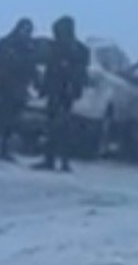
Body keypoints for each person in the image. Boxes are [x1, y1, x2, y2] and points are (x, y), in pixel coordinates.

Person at [32, 16, 91, 172]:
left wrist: (72, 87)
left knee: (60, 127)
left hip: (64, 92)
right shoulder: (69, 48)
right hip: (58, 91)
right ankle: (54, 160)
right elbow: (49, 71)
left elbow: (79, 73)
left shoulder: (76, 50)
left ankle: (58, 160)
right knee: (55, 127)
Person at [0, 18, 39, 162]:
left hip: (18, 89)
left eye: (28, 30)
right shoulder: (5, 44)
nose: (26, 33)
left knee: (10, 122)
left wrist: (37, 83)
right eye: (24, 29)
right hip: (3, 87)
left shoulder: (28, 47)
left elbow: (31, 67)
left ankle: (3, 149)